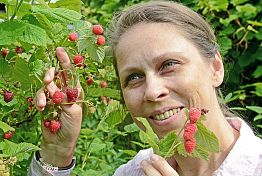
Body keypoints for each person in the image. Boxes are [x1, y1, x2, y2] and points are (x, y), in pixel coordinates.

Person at [28, 1, 262, 176]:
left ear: (215, 68)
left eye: (169, 65)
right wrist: (57, 153)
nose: (152, 91)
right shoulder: (132, 172)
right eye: (134, 77)